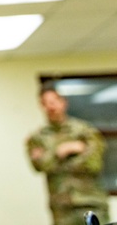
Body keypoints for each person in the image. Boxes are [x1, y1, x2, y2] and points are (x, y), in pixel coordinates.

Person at [27, 85, 110, 225]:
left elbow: (93, 164)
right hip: (62, 208)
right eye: (45, 103)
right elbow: (39, 166)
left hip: (91, 202)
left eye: (53, 101)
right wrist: (62, 151)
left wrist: (52, 158)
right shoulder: (37, 138)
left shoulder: (85, 131)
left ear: (63, 102)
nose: (50, 107)